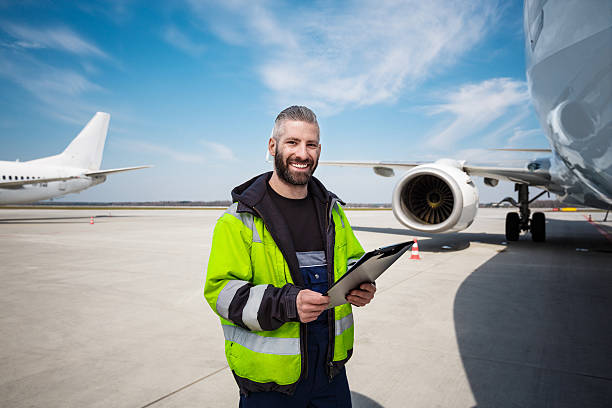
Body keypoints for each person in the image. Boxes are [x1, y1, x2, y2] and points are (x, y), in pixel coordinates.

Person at [204, 105, 376, 407]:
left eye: (311, 144)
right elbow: (221, 293)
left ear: (319, 150)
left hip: (330, 374)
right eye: (292, 142)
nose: (303, 153)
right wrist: (287, 303)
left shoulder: (332, 212)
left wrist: (361, 285)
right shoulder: (239, 220)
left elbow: (353, 262)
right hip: (271, 386)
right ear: (273, 147)